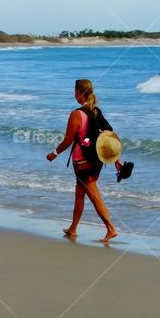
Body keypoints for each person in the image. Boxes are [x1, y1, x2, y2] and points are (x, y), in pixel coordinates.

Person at [46, 79, 121, 243]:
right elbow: (109, 136)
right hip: (97, 160)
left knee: (94, 196)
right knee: (79, 193)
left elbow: (68, 140)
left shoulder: (76, 114)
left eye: (75, 91)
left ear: (79, 93)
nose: (74, 94)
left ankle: (111, 228)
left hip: (82, 162)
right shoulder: (96, 111)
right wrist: (116, 159)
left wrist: (54, 153)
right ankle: (73, 228)